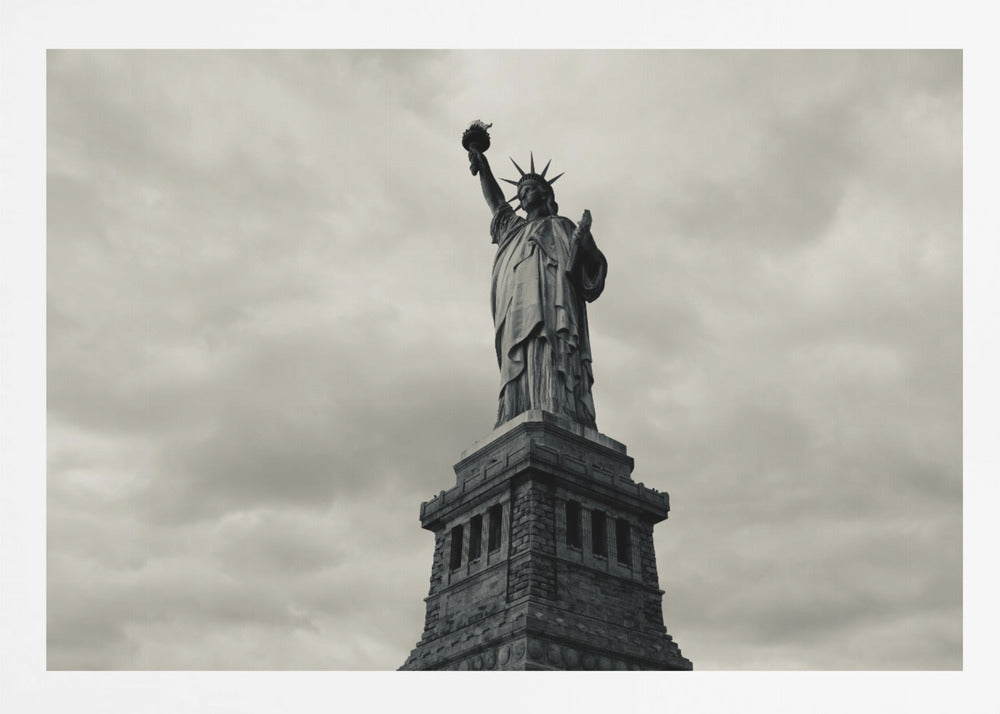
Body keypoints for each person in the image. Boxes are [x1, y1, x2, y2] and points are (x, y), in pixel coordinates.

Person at [468, 147, 607, 429]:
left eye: (528, 190)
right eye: (520, 193)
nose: (522, 197)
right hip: (518, 312)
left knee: (550, 351)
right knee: (522, 354)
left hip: (555, 308)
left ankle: (558, 405)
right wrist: (483, 168)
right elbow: (497, 204)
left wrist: (586, 243)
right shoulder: (513, 231)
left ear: (545, 194)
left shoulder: (563, 227)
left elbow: (593, 270)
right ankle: (517, 408)